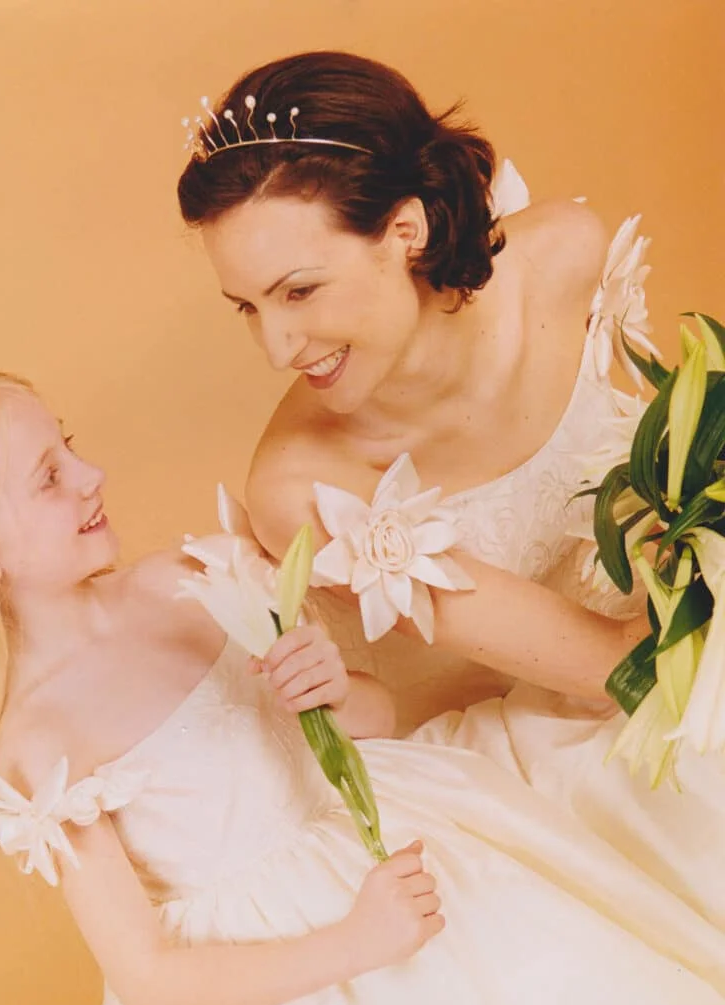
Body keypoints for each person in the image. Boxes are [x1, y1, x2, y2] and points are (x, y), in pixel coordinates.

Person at [0, 370, 725, 1005]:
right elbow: (148, 981)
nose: (92, 477)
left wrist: (331, 686)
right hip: (284, 1002)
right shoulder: (39, 743)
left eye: (72, 448)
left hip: (402, 860)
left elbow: (372, 718)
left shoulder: (189, 579)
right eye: (49, 477)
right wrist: (359, 941)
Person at [176, 49, 725, 932]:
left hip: (663, 653)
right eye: (247, 307)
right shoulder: (303, 488)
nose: (278, 346)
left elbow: (674, 475)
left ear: (406, 230)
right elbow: (616, 670)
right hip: (507, 773)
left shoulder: (567, 256)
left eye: (299, 291)